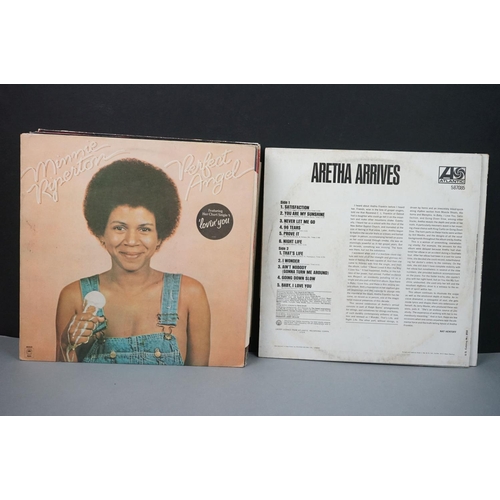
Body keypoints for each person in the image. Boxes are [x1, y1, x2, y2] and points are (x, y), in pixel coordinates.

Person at [56, 158, 211, 365]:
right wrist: (66, 345)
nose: (131, 241)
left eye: (144, 229)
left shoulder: (190, 294)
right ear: (101, 233)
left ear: (160, 237)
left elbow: (198, 381)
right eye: (119, 228)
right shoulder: (74, 296)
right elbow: (64, 380)